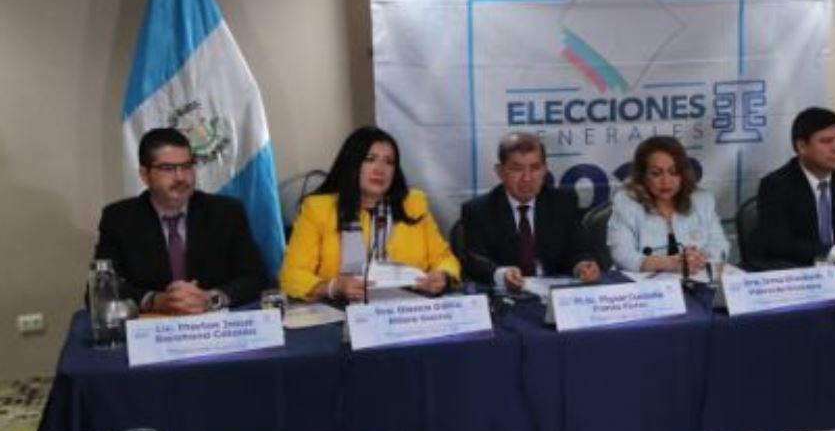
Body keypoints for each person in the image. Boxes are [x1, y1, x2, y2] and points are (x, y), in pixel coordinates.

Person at [93, 128, 267, 313]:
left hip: (213, 324)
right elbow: (99, 291)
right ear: (145, 175)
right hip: (152, 325)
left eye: (186, 166)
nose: (181, 177)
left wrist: (211, 299)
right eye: (167, 168)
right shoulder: (119, 219)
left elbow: (255, 277)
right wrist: (154, 300)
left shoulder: (226, 212)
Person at [279, 126, 460, 302]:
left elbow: (444, 258)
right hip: (342, 309)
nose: (380, 169)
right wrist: (333, 287)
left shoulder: (413, 204)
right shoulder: (318, 209)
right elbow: (292, 275)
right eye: (370, 159)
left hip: (406, 308)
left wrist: (443, 275)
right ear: (352, 164)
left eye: (389, 162)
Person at [459, 132, 600, 290]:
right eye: (517, 169)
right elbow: (474, 262)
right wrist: (501, 275)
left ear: (544, 169)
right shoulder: (478, 211)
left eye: (535, 168)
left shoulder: (564, 202)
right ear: (500, 172)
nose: (527, 178)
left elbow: (579, 250)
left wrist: (582, 266)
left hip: (556, 295)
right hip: (505, 297)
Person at [755, 107, 835, 268]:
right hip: (799, 272)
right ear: (802, 146)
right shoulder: (776, 185)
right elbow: (779, 244)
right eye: (826, 141)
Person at [606, 136, 730, 276]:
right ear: (642, 176)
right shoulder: (626, 202)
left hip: (695, 279)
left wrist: (699, 258)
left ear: (682, 174)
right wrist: (670, 263)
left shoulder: (702, 200)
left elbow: (721, 246)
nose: (666, 181)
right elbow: (621, 255)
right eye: (656, 174)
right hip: (640, 285)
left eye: (673, 172)